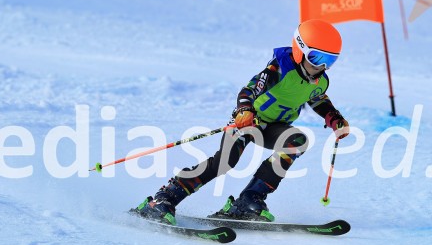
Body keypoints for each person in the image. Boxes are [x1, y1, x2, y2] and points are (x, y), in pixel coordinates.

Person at [135, 19, 351, 224]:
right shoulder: (278, 70)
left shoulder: (320, 81)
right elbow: (248, 90)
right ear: (299, 50)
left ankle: (249, 199)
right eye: (316, 58)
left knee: (297, 140)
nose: (321, 66)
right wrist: (244, 111)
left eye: (330, 61)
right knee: (225, 162)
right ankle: (163, 198)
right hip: (249, 122)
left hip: (274, 127)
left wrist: (335, 119)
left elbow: (318, 99)